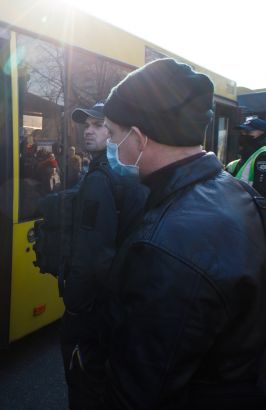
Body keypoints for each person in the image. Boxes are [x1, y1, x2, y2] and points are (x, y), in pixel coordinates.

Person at [102, 58, 266, 409]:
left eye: (114, 135)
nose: (110, 148)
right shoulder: (238, 192)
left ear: (141, 137)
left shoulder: (164, 246)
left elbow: (142, 391)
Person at [59, 101, 147, 409]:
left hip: (94, 308)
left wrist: (74, 307)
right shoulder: (134, 170)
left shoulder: (100, 178)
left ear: (116, 132)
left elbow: (91, 257)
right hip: (121, 301)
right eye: (87, 126)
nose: (89, 131)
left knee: (84, 378)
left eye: (99, 126)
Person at [226, 118, 266, 196]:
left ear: (263, 134)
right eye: (242, 132)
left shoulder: (263, 155)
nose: (243, 135)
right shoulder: (234, 164)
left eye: (248, 132)